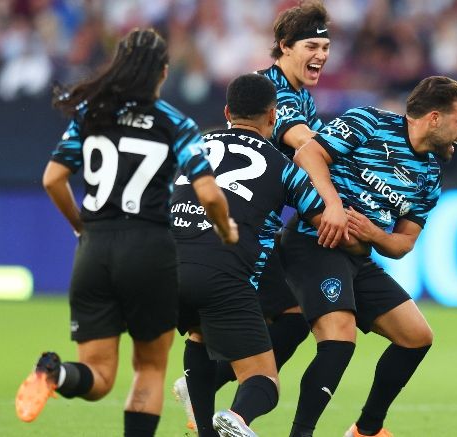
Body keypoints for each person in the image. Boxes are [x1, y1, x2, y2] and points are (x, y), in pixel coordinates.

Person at [14, 28, 237, 437]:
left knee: (97, 376)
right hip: (149, 251)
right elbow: (208, 192)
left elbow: (52, 179)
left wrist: (83, 226)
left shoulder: (91, 113)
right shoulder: (175, 122)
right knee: (149, 369)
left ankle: (56, 373)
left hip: (94, 252)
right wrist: (226, 230)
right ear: (163, 73)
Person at [172, 1, 348, 429]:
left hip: (204, 238)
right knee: (290, 317)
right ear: (284, 48)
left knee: (220, 323)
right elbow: (305, 146)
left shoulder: (296, 95)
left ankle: (205, 384)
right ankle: (228, 398)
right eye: (312, 45)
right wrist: (340, 198)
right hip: (246, 234)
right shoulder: (276, 97)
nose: (322, 55)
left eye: (326, 45)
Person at [282, 76, 457, 437]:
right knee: (338, 337)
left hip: (357, 256)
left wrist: (374, 234)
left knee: (417, 336)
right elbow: (308, 153)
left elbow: (403, 244)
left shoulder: (430, 175)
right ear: (434, 118)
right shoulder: (370, 122)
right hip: (314, 241)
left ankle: (367, 429)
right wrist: (334, 205)